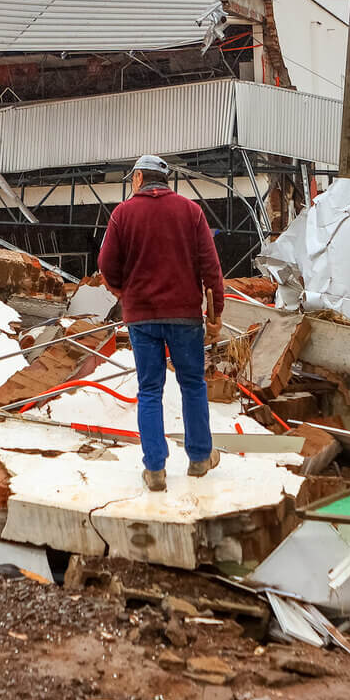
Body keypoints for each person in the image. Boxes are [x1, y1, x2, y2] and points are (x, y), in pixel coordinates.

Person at [98, 155, 225, 492]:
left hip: (142, 318)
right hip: (184, 315)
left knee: (150, 390)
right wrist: (216, 313)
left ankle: (155, 469)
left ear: (138, 177)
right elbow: (211, 267)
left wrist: (126, 293)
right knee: (193, 384)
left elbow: (106, 264)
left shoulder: (123, 214)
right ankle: (199, 458)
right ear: (164, 180)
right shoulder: (191, 212)